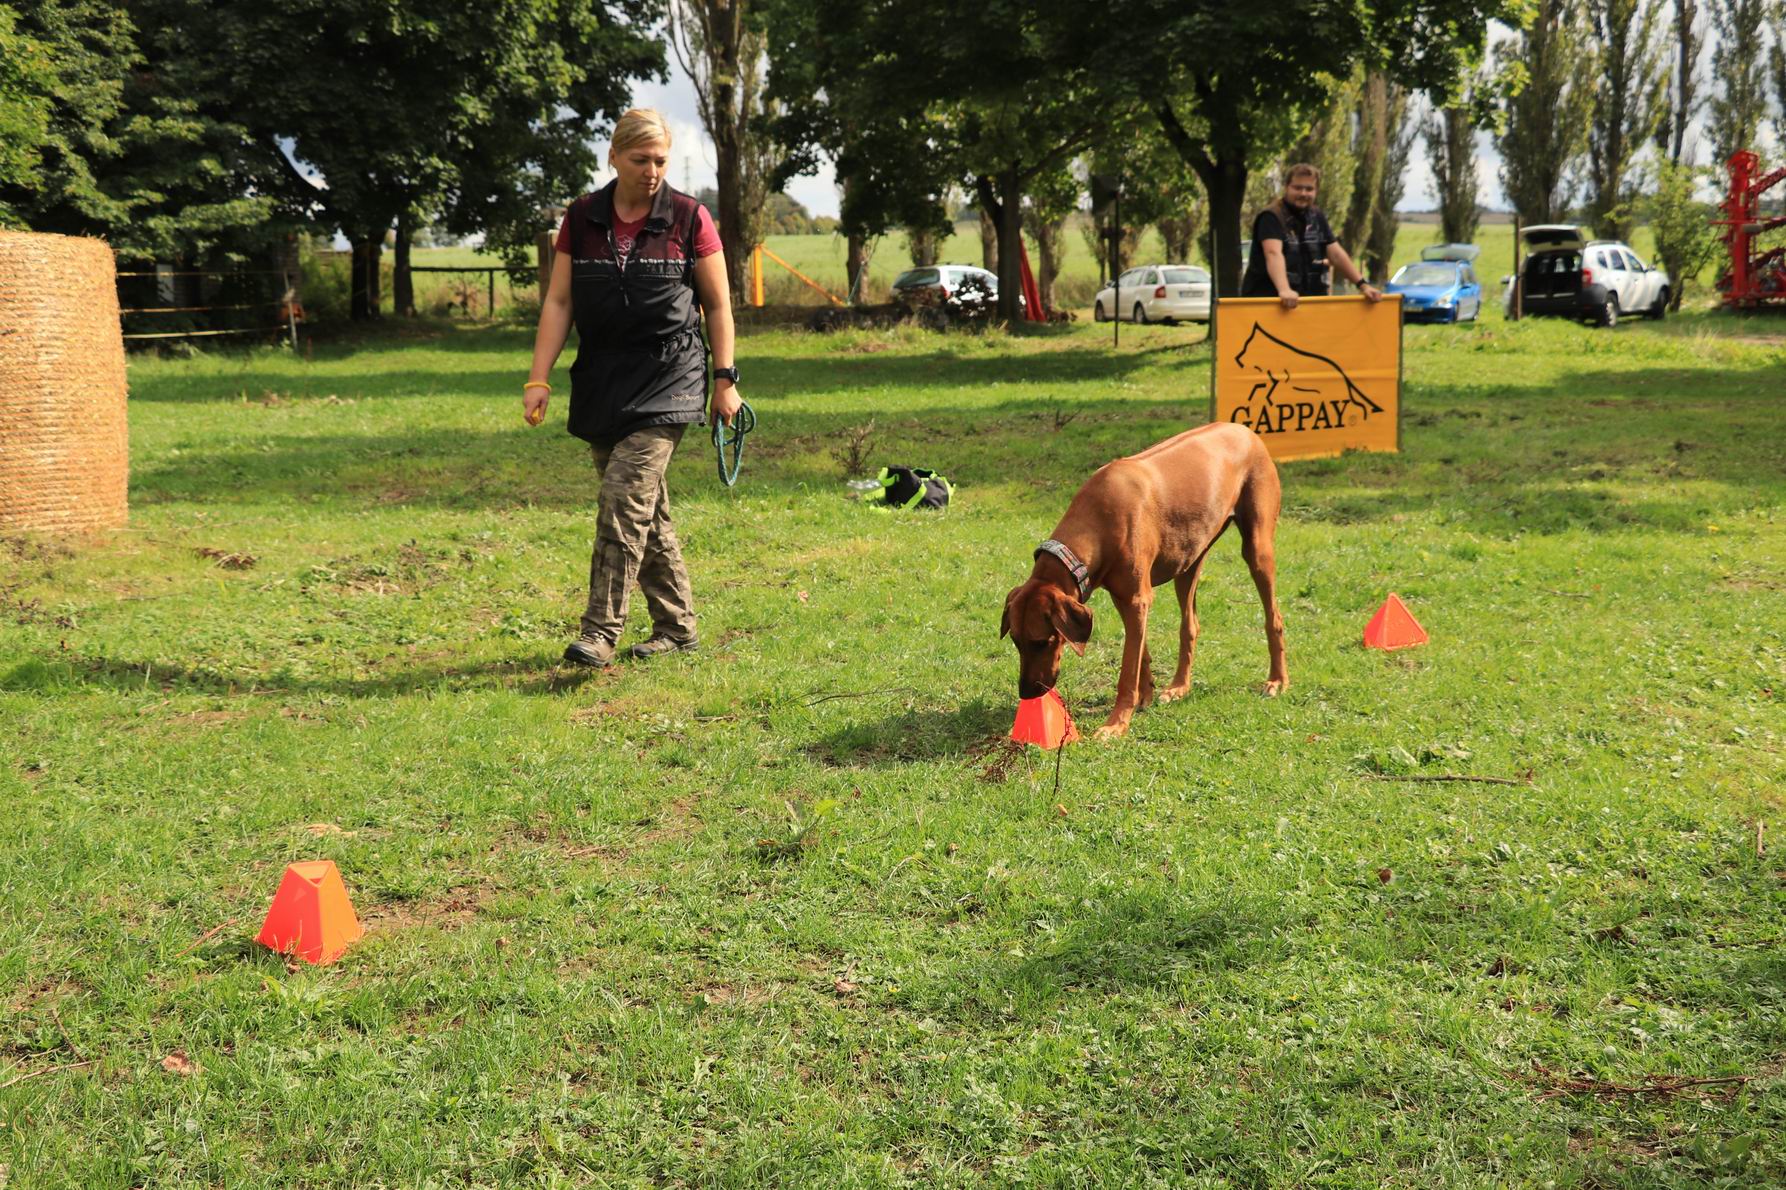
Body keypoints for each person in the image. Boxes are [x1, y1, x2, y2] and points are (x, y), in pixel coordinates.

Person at [523, 108, 743, 669]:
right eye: (641, 159)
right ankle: (678, 627)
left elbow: (717, 305)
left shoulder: (690, 218)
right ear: (614, 156)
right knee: (648, 512)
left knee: (623, 501)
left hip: (672, 377)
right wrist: (539, 377)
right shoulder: (582, 217)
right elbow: (559, 302)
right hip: (602, 378)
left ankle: (600, 631)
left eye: (661, 160)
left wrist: (725, 381)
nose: (652, 170)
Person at [1240, 163, 1383, 309]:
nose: (1303, 193)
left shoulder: (1317, 216)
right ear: (1286, 187)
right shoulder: (1271, 216)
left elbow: (1336, 254)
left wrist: (1363, 285)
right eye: (1297, 187)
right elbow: (1273, 253)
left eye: (1309, 189)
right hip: (1268, 303)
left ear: (1316, 191)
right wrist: (1284, 290)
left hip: (1307, 302)